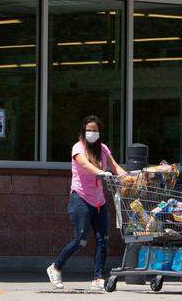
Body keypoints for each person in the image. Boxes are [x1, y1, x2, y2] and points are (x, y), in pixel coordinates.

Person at [45, 115, 127, 291]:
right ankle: (55, 267)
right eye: (89, 130)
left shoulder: (103, 149)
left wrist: (126, 176)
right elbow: (84, 164)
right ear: (83, 131)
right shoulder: (78, 147)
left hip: (99, 201)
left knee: (102, 239)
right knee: (81, 240)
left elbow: (115, 166)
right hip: (80, 198)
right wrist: (100, 172)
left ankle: (98, 278)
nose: (92, 133)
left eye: (95, 130)